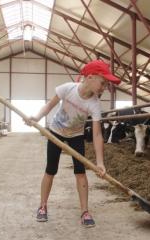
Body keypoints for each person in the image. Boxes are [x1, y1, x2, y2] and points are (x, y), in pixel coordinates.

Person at [26, 60, 120, 227]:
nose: (104, 87)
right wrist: (37, 117)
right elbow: (49, 105)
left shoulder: (95, 104)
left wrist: (100, 163)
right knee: (50, 170)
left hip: (76, 135)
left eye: (106, 84)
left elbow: (97, 134)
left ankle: (85, 211)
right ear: (90, 77)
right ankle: (42, 206)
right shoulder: (67, 88)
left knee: (80, 172)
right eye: (103, 83)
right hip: (56, 132)